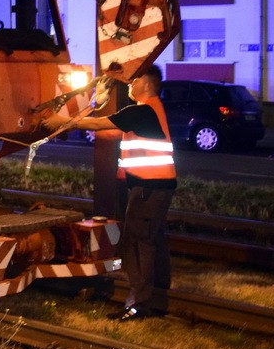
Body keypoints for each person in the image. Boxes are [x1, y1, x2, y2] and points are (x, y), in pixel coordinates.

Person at [42, 64, 176, 321]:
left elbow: (99, 123)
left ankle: (138, 304)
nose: (129, 86)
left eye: (133, 81)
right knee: (153, 239)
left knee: (137, 244)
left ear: (145, 83)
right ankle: (157, 293)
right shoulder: (152, 110)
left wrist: (63, 122)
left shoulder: (143, 110)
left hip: (148, 188)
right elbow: (113, 129)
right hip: (155, 187)